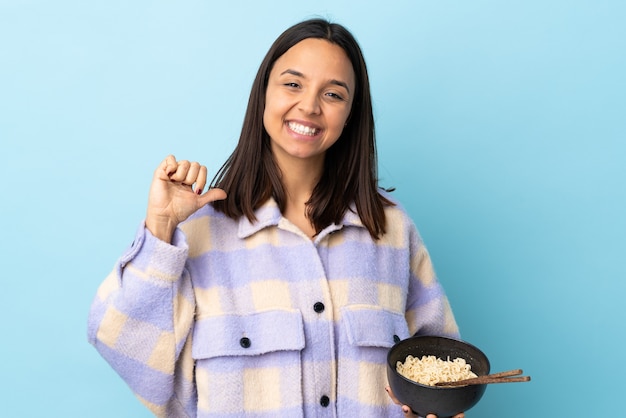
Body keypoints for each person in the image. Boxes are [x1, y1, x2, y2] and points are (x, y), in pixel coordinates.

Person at [87, 18, 464, 418]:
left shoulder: (389, 228)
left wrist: (438, 407)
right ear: (263, 93)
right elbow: (123, 344)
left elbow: (439, 365)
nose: (310, 106)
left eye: (334, 94)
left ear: (352, 113)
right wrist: (160, 230)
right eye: (292, 84)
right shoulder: (197, 233)